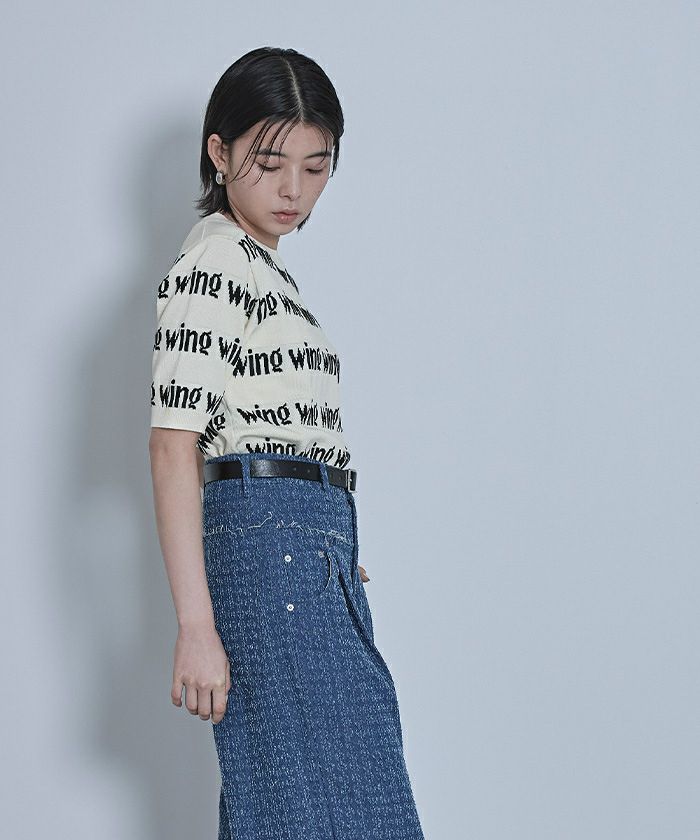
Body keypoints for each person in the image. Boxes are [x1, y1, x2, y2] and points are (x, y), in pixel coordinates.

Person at [149, 46, 425, 839]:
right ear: (219, 151)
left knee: (297, 807)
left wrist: (326, 538)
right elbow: (172, 444)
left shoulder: (260, 271)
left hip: (305, 551)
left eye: (316, 166)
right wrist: (196, 626)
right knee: (336, 811)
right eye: (270, 164)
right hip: (272, 558)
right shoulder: (214, 262)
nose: (293, 191)